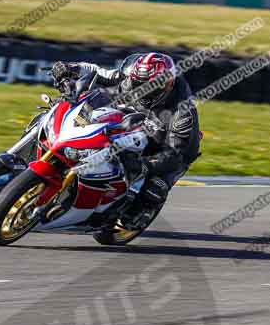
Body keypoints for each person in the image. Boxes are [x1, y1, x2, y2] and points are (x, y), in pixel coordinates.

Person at [50, 52, 201, 228]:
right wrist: (70, 68)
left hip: (169, 144)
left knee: (155, 187)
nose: (142, 90)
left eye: (150, 87)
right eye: (138, 83)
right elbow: (99, 72)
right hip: (136, 119)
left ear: (165, 86)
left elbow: (173, 155)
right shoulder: (132, 74)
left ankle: (136, 213)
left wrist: (144, 164)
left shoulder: (182, 113)